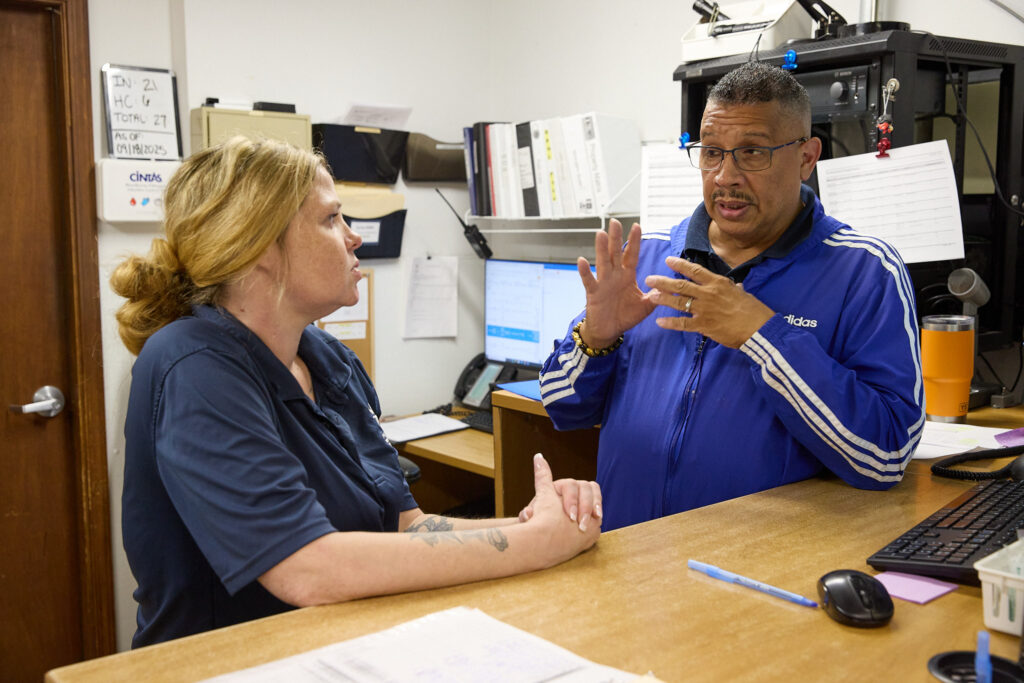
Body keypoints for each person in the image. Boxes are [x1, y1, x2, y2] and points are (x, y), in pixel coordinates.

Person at [111, 136, 602, 647]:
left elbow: (407, 526)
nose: (353, 238)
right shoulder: (194, 365)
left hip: (338, 651)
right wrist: (533, 545)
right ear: (257, 248)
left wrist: (538, 520)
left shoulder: (324, 357)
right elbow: (308, 567)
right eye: (331, 219)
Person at [539, 61, 924, 531]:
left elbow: (885, 456)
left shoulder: (865, 270)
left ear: (806, 157)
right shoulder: (647, 257)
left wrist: (762, 336)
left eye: (753, 153)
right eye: (712, 152)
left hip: (757, 581)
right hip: (628, 563)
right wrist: (594, 340)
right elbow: (561, 406)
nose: (725, 176)